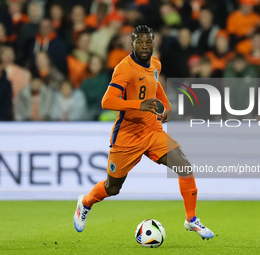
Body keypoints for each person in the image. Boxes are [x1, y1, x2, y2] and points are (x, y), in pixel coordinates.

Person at [73, 25, 215, 240]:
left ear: (153, 43)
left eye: (148, 41)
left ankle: (191, 219)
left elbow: (156, 86)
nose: (145, 46)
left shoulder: (155, 63)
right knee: (113, 188)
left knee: (184, 166)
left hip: (151, 129)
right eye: (140, 42)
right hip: (127, 136)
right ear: (132, 43)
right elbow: (107, 101)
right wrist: (140, 105)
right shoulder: (124, 68)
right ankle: (85, 203)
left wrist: (165, 106)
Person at [80, 54, 110, 120]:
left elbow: (100, 95)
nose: (95, 66)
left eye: (97, 63)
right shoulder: (86, 80)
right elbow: (82, 96)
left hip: (101, 109)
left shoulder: (104, 78)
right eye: (93, 63)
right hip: (88, 109)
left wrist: (91, 93)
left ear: (101, 65)